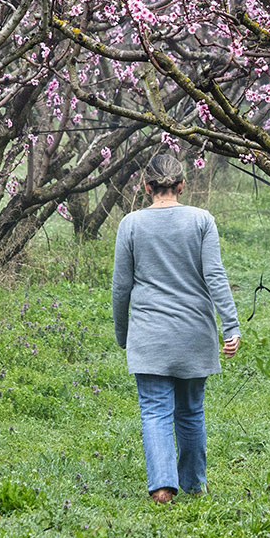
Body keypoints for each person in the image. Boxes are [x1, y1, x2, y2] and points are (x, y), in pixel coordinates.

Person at [111, 153, 241, 504]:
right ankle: (195, 485)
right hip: (194, 335)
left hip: (150, 336)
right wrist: (231, 326)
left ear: (146, 186)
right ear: (182, 184)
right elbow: (215, 276)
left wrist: (123, 334)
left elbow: (121, 287)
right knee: (191, 411)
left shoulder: (131, 225)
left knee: (154, 411)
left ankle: (162, 487)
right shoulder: (202, 220)